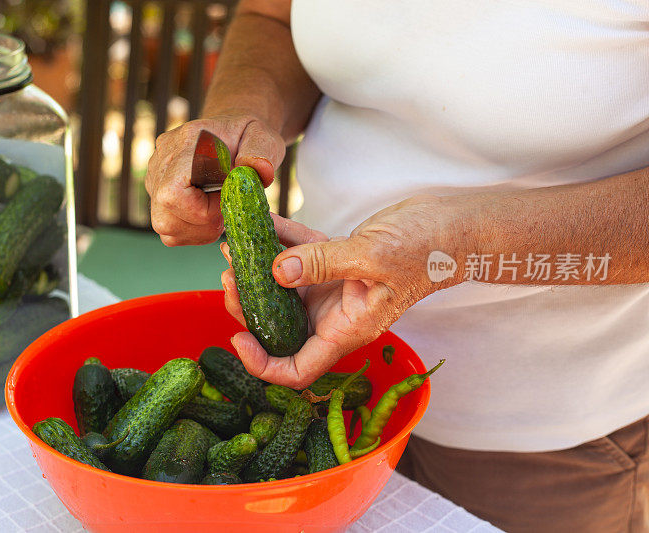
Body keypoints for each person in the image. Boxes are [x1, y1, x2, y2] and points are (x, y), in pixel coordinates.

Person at [144, 1, 649, 531]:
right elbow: (271, 16)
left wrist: (457, 243)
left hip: (543, 431)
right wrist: (242, 116)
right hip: (320, 374)